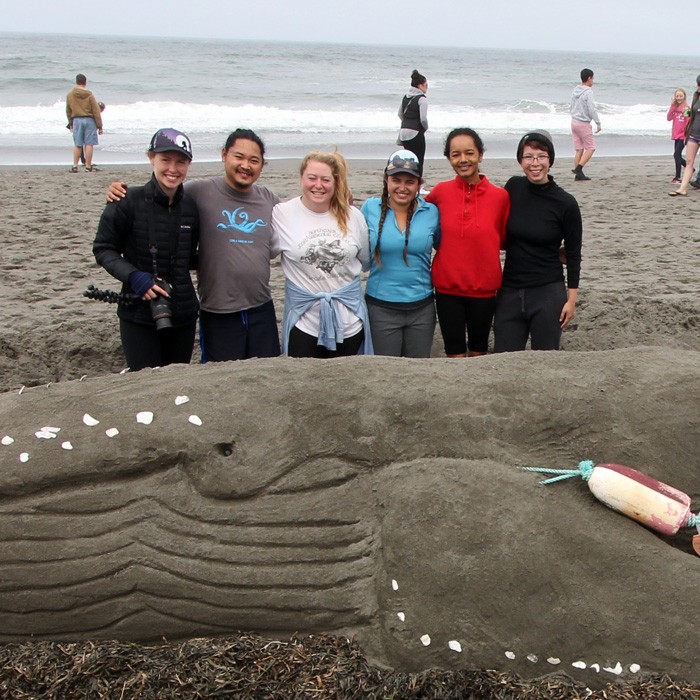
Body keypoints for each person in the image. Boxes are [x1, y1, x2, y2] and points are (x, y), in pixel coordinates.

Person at [107, 128, 281, 361]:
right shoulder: (198, 191)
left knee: (265, 372)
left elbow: (301, 215)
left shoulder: (269, 199)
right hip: (218, 309)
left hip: (262, 306)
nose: (245, 166)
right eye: (238, 157)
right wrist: (119, 190)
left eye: (254, 160)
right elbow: (161, 192)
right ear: (224, 155)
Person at [93, 129, 199, 371]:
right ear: (151, 157)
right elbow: (103, 249)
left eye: (181, 161)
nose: (173, 169)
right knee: (145, 386)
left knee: (176, 384)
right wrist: (135, 277)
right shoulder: (126, 200)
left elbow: (191, 258)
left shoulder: (192, 207)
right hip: (138, 315)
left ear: (189, 164)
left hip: (183, 314)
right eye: (165, 160)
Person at [272, 151, 372, 358]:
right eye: (312, 178)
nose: (318, 185)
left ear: (335, 183)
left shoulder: (353, 216)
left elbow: (365, 262)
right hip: (304, 321)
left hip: (349, 320)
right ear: (301, 178)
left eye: (326, 180)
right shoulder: (282, 213)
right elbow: (267, 252)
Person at [493, 131, 582, 352]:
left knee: (546, 360)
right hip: (510, 289)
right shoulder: (513, 187)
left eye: (541, 156)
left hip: (547, 292)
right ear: (520, 160)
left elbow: (573, 254)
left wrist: (571, 301)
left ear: (550, 160)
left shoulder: (566, 203)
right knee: (503, 359)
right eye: (528, 157)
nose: (535, 163)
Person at [425, 128, 510, 357]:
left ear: (480, 156)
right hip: (446, 289)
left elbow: (506, 239)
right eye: (455, 154)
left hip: (483, 290)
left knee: (478, 352)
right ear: (449, 159)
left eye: (469, 153)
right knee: (454, 353)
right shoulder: (439, 192)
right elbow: (413, 214)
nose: (463, 159)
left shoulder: (500, 196)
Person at [361, 149, 439, 357]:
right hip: (380, 307)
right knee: (385, 372)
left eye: (409, 181)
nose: (402, 187)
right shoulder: (370, 208)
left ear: (418, 184)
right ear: (387, 180)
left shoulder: (431, 212)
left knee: (417, 372)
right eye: (396, 180)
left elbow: (445, 248)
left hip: (421, 308)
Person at [66, 73, 103, 173]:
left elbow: (68, 110)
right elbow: (95, 110)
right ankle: (88, 166)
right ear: (85, 82)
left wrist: (70, 122)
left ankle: (74, 166)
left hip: (76, 120)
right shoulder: (89, 95)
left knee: (77, 144)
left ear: (76, 82)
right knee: (89, 144)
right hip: (89, 120)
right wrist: (99, 125)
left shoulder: (70, 95)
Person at [670, 77, 700, 196]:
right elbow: (692, 115)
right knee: (689, 162)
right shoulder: (696, 96)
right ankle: (682, 189)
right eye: (698, 84)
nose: (698, 87)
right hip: (693, 134)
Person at [570, 68, 601, 181]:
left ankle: (578, 175)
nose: (593, 81)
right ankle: (579, 169)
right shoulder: (588, 92)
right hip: (583, 123)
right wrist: (597, 122)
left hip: (574, 122)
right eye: (592, 78)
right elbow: (591, 109)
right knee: (591, 148)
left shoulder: (575, 90)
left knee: (579, 149)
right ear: (589, 78)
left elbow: (572, 106)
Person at [398, 70, 428, 172]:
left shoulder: (405, 97)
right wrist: (425, 127)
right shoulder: (422, 99)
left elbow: (400, 114)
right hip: (415, 132)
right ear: (420, 86)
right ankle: (418, 183)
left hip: (403, 133)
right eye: (425, 85)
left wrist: (407, 122)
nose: (426, 88)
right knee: (418, 160)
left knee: (408, 160)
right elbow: (423, 119)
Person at [668, 89, 690, 183]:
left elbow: (688, 122)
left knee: (676, 154)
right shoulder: (675, 107)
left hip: (683, 135)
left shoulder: (686, 108)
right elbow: (669, 118)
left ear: (684, 96)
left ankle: (677, 177)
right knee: (677, 155)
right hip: (676, 134)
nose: (679, 98)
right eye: (677, 96)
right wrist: (672, 105)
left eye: (680, 96)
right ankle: (690, 168)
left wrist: (686, 136)